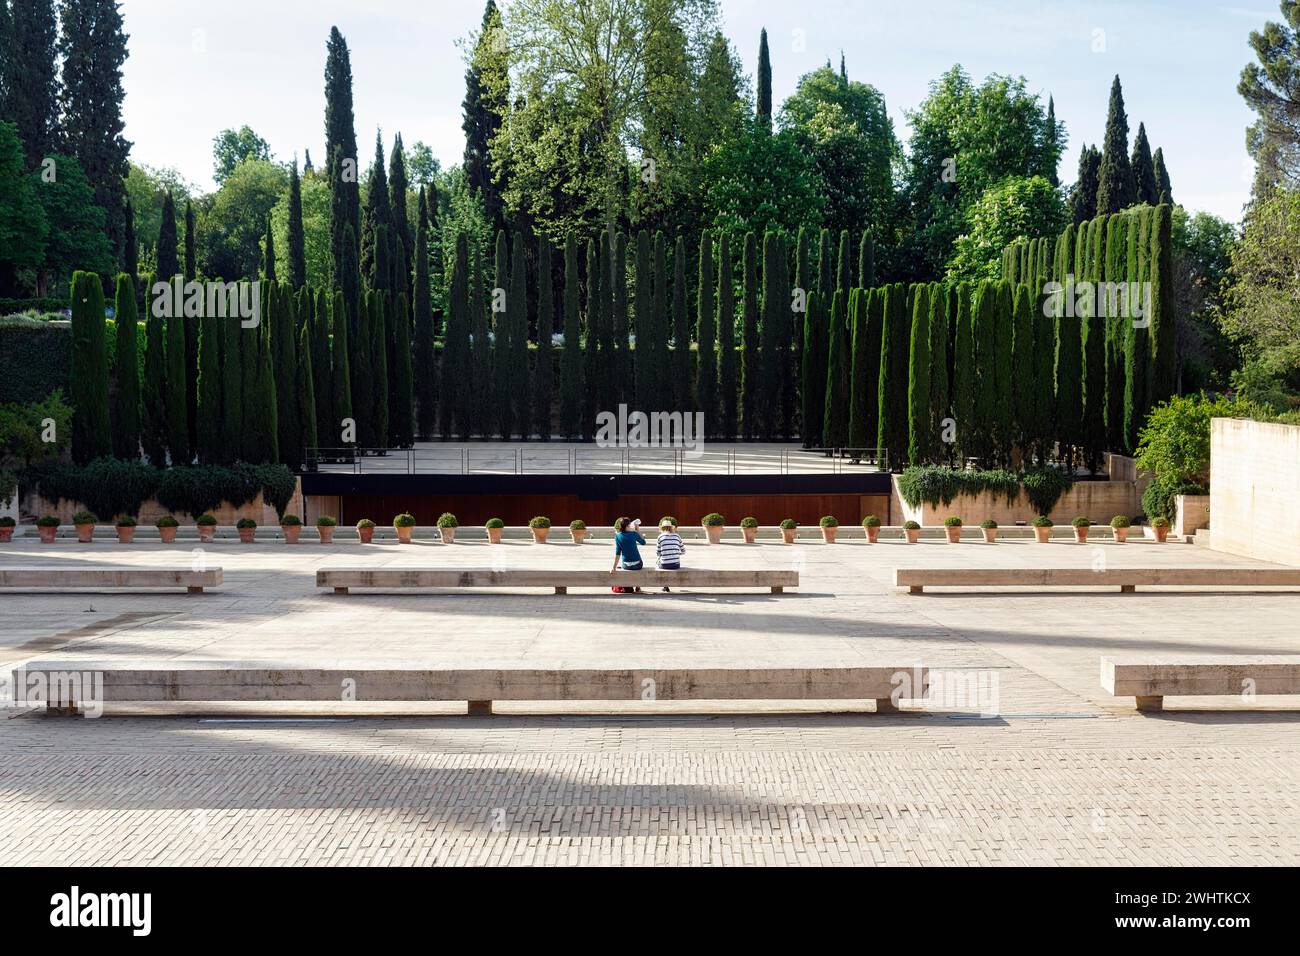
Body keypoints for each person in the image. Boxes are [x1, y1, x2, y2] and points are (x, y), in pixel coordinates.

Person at [610, 517, 646, 593]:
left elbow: (618, 553)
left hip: (626, 565)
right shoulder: (634, 534)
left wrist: (614, 568)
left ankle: (633, 586)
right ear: (627, 526)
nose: (631, 526)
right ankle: (638, 587)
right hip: (638, 565)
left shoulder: (618, 536)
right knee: (638, 562)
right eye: (630, 525)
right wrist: (638, 530)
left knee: (622, 564)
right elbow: (643, 542)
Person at [655, 518, 686, 592]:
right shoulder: (677, 536)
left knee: (657, 564)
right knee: (670, 562)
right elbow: (683, 551)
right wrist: (676, 553)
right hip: (676, 564)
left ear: (662, 528)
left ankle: (665, 586)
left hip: (665, 564)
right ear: (671, 528)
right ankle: (666, 586)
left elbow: (658, 553)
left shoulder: (660, 537)